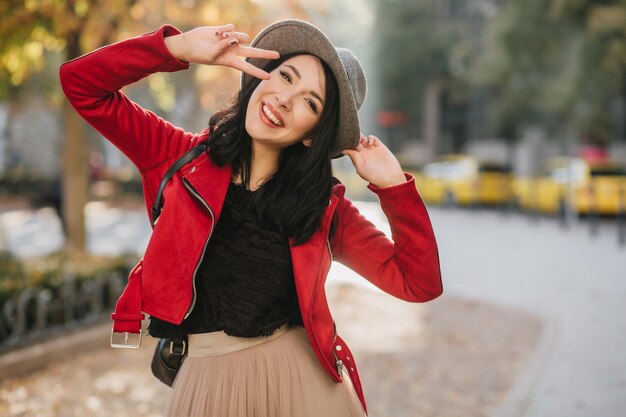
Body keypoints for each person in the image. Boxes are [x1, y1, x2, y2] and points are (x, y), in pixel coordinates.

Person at [60, 19, 443, 417]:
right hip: (204, 386)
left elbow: (418, 283)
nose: (284, 99)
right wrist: (176, 49)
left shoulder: (322, 209)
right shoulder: (178, 158)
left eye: (310, 103)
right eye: (285, 76)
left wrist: (394, 187)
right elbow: (80, 84)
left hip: (299, 389)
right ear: (259, 76)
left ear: (314, 135)